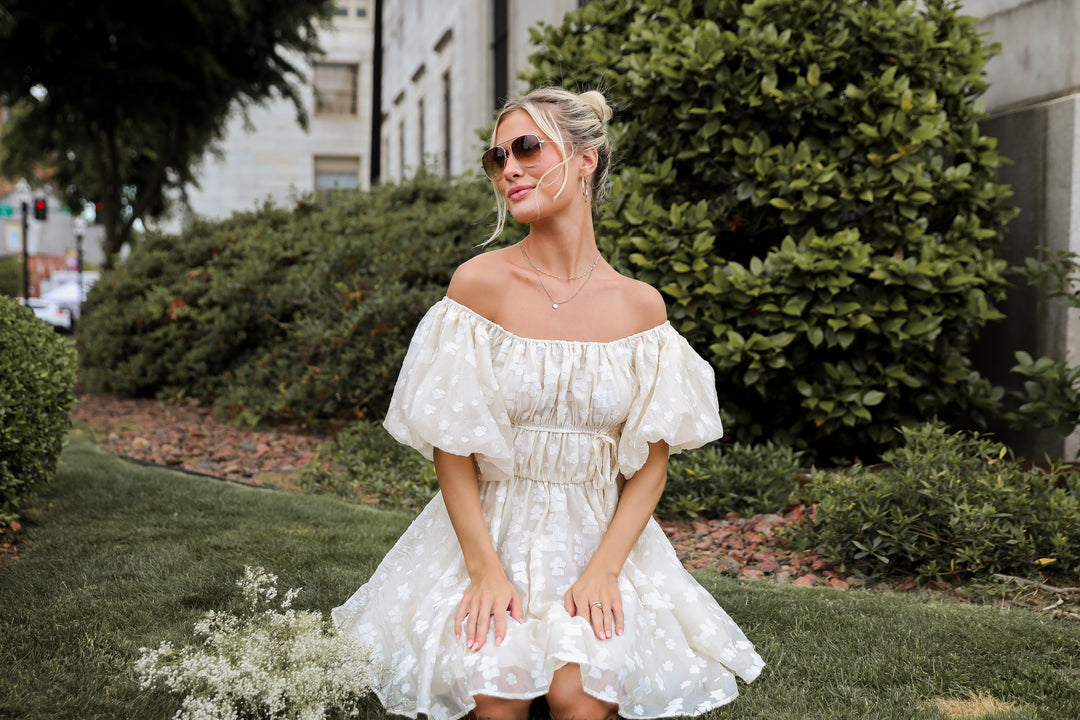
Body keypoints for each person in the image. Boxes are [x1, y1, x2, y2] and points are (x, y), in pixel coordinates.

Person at [332, 87, 764, 720]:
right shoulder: (479, 285)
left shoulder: (640, 307)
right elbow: (454, 451)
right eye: (496, 156)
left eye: (527, 147)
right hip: (491, 528)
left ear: (586, 159)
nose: (509, 167)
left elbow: (650, 466)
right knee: (496, 684)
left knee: (580, 695)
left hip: (601, 536)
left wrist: (605, 572)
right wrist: (485, 572)